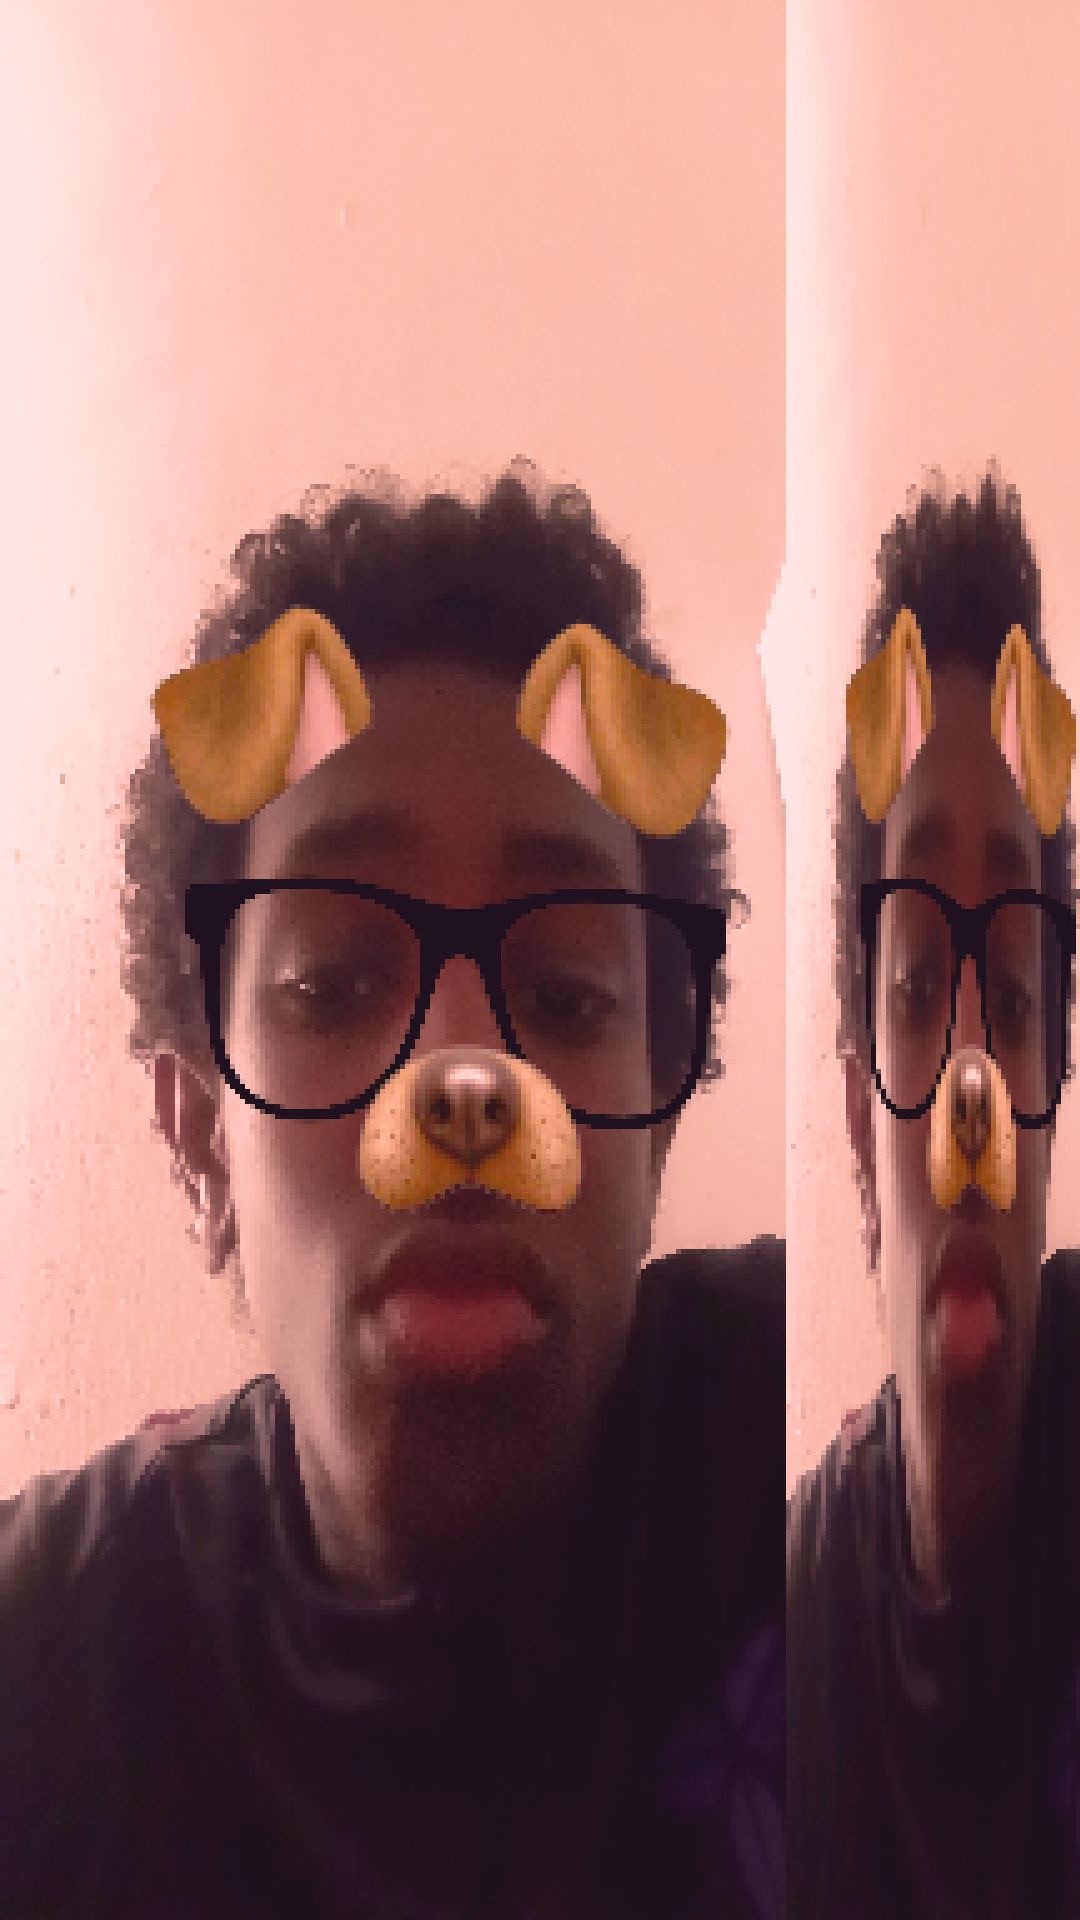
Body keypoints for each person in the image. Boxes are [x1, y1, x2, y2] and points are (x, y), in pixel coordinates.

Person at [1, 465, 785, 1920]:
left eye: (567, 993)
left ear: (657, 1130)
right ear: (198, 1138)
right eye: (331, 984)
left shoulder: (838, 1463)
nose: (465, 1077)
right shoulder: (49, 1661)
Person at [787, 469, 1080, 1919]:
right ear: (859, 1118)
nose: (971, 1089)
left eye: (1013, 1000)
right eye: (916, 989)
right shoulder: (781, 1621)